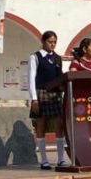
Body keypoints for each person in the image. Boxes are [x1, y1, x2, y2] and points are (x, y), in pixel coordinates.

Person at [29, 30, 67, 170]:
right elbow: (31, 78)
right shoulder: (35, 57)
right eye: (50, 42)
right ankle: (43, 160)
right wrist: (34, 99)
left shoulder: (57, 58)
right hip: (41, 93)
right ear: (43, 42)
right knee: (41, 126)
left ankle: (61, 159)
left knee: (59, 125)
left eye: (54, 42)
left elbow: (60, 76)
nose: (52, 45)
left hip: (55, 94)